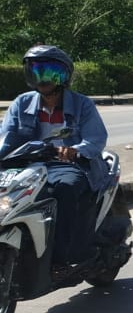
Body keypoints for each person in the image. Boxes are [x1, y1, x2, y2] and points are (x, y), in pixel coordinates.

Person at [0, 45, 110, 273]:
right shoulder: (21, 103)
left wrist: (74, 150)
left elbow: (96, 139)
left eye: (50, 72)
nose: (43, 78)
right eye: (37, 71)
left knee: (64, 189)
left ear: (63, 75)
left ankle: (61, 259)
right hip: (29, 165)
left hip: (67, 165)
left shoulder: (82, 104)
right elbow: (5, 138)